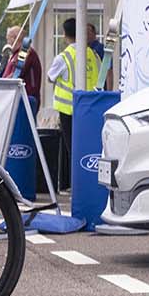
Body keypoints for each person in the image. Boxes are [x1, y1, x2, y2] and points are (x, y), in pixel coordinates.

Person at [45, 17, 101, 192]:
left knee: (72, 149)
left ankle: (75, 186)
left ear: (64, 34)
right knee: (88, 148)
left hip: (69, 110)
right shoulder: (92, 54)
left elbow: (50, 77)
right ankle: (88, 183)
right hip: (90, 109)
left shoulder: (64, 56)